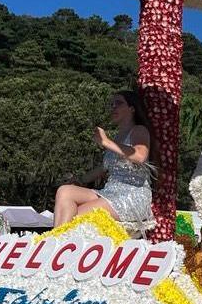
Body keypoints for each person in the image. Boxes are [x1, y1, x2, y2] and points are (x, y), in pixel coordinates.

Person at [54, 91, 154, 227]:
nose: (113, 107)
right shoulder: (118, 137)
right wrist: (80, 180)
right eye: (111, 104)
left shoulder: (139, 130)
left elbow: (140, 156)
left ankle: (59, 242)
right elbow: (103, 168)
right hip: (110, 192)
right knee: (65, 191)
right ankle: (56, 240)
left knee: (75, 216)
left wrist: (106, 141)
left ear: (132, 108)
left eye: (118, 103)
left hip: (131, 195)